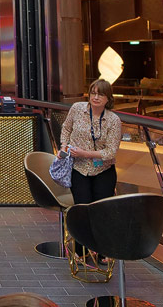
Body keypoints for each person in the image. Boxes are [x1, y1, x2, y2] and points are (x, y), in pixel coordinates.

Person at [60, 78, 122, 256]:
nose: (95, 97)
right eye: (93, 93)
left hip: (103, 170)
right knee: (82, 210)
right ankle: (81, 252)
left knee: (102, 211)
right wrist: (63, 147)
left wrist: (85, 153)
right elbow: (66, 128)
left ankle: (102, 252)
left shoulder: (113, 120)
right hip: (79, 169)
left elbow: (111, 152)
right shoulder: (77, 109)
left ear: (108, 98)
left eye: (100, 94)